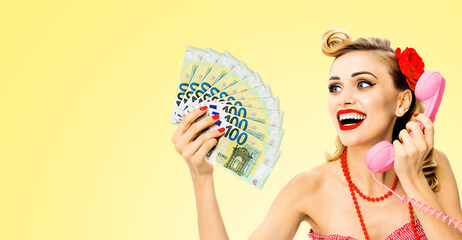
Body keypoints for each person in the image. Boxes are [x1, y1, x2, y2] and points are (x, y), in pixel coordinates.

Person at [171, 28, 462, 239]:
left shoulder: (434, 167)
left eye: (363, 84)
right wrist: (201, 177)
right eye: (335, 87)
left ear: (402, 102)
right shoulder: (308, 187)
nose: (344, 98)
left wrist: (412, 179)